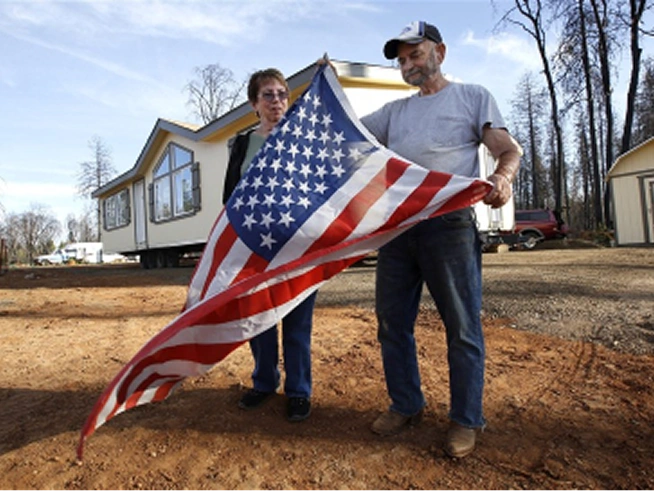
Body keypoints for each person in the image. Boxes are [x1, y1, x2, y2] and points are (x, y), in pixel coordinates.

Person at [359, 21, 522, 458]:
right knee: (392, 323)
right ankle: (405, 404)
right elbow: (348, 134)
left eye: (415, 54)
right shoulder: (394, 113)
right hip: (398, 229)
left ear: (440, 53)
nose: (407, 64)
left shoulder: (472, 97)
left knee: (462, 327)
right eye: (401, 59)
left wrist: (502, 179)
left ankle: (466, 419)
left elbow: (508, 150)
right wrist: (321, 90)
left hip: (449, 227)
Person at [223, 68, 317, 422]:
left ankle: (299, 391)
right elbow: (229, 198)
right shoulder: (243, 144)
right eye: (268, 95)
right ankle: (264, 383)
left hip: (298, 247)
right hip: (255, 250)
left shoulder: (301, 141)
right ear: (254, 104)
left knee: (296, 323)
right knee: (259, 321)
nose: (277, 100)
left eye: (282, 94)